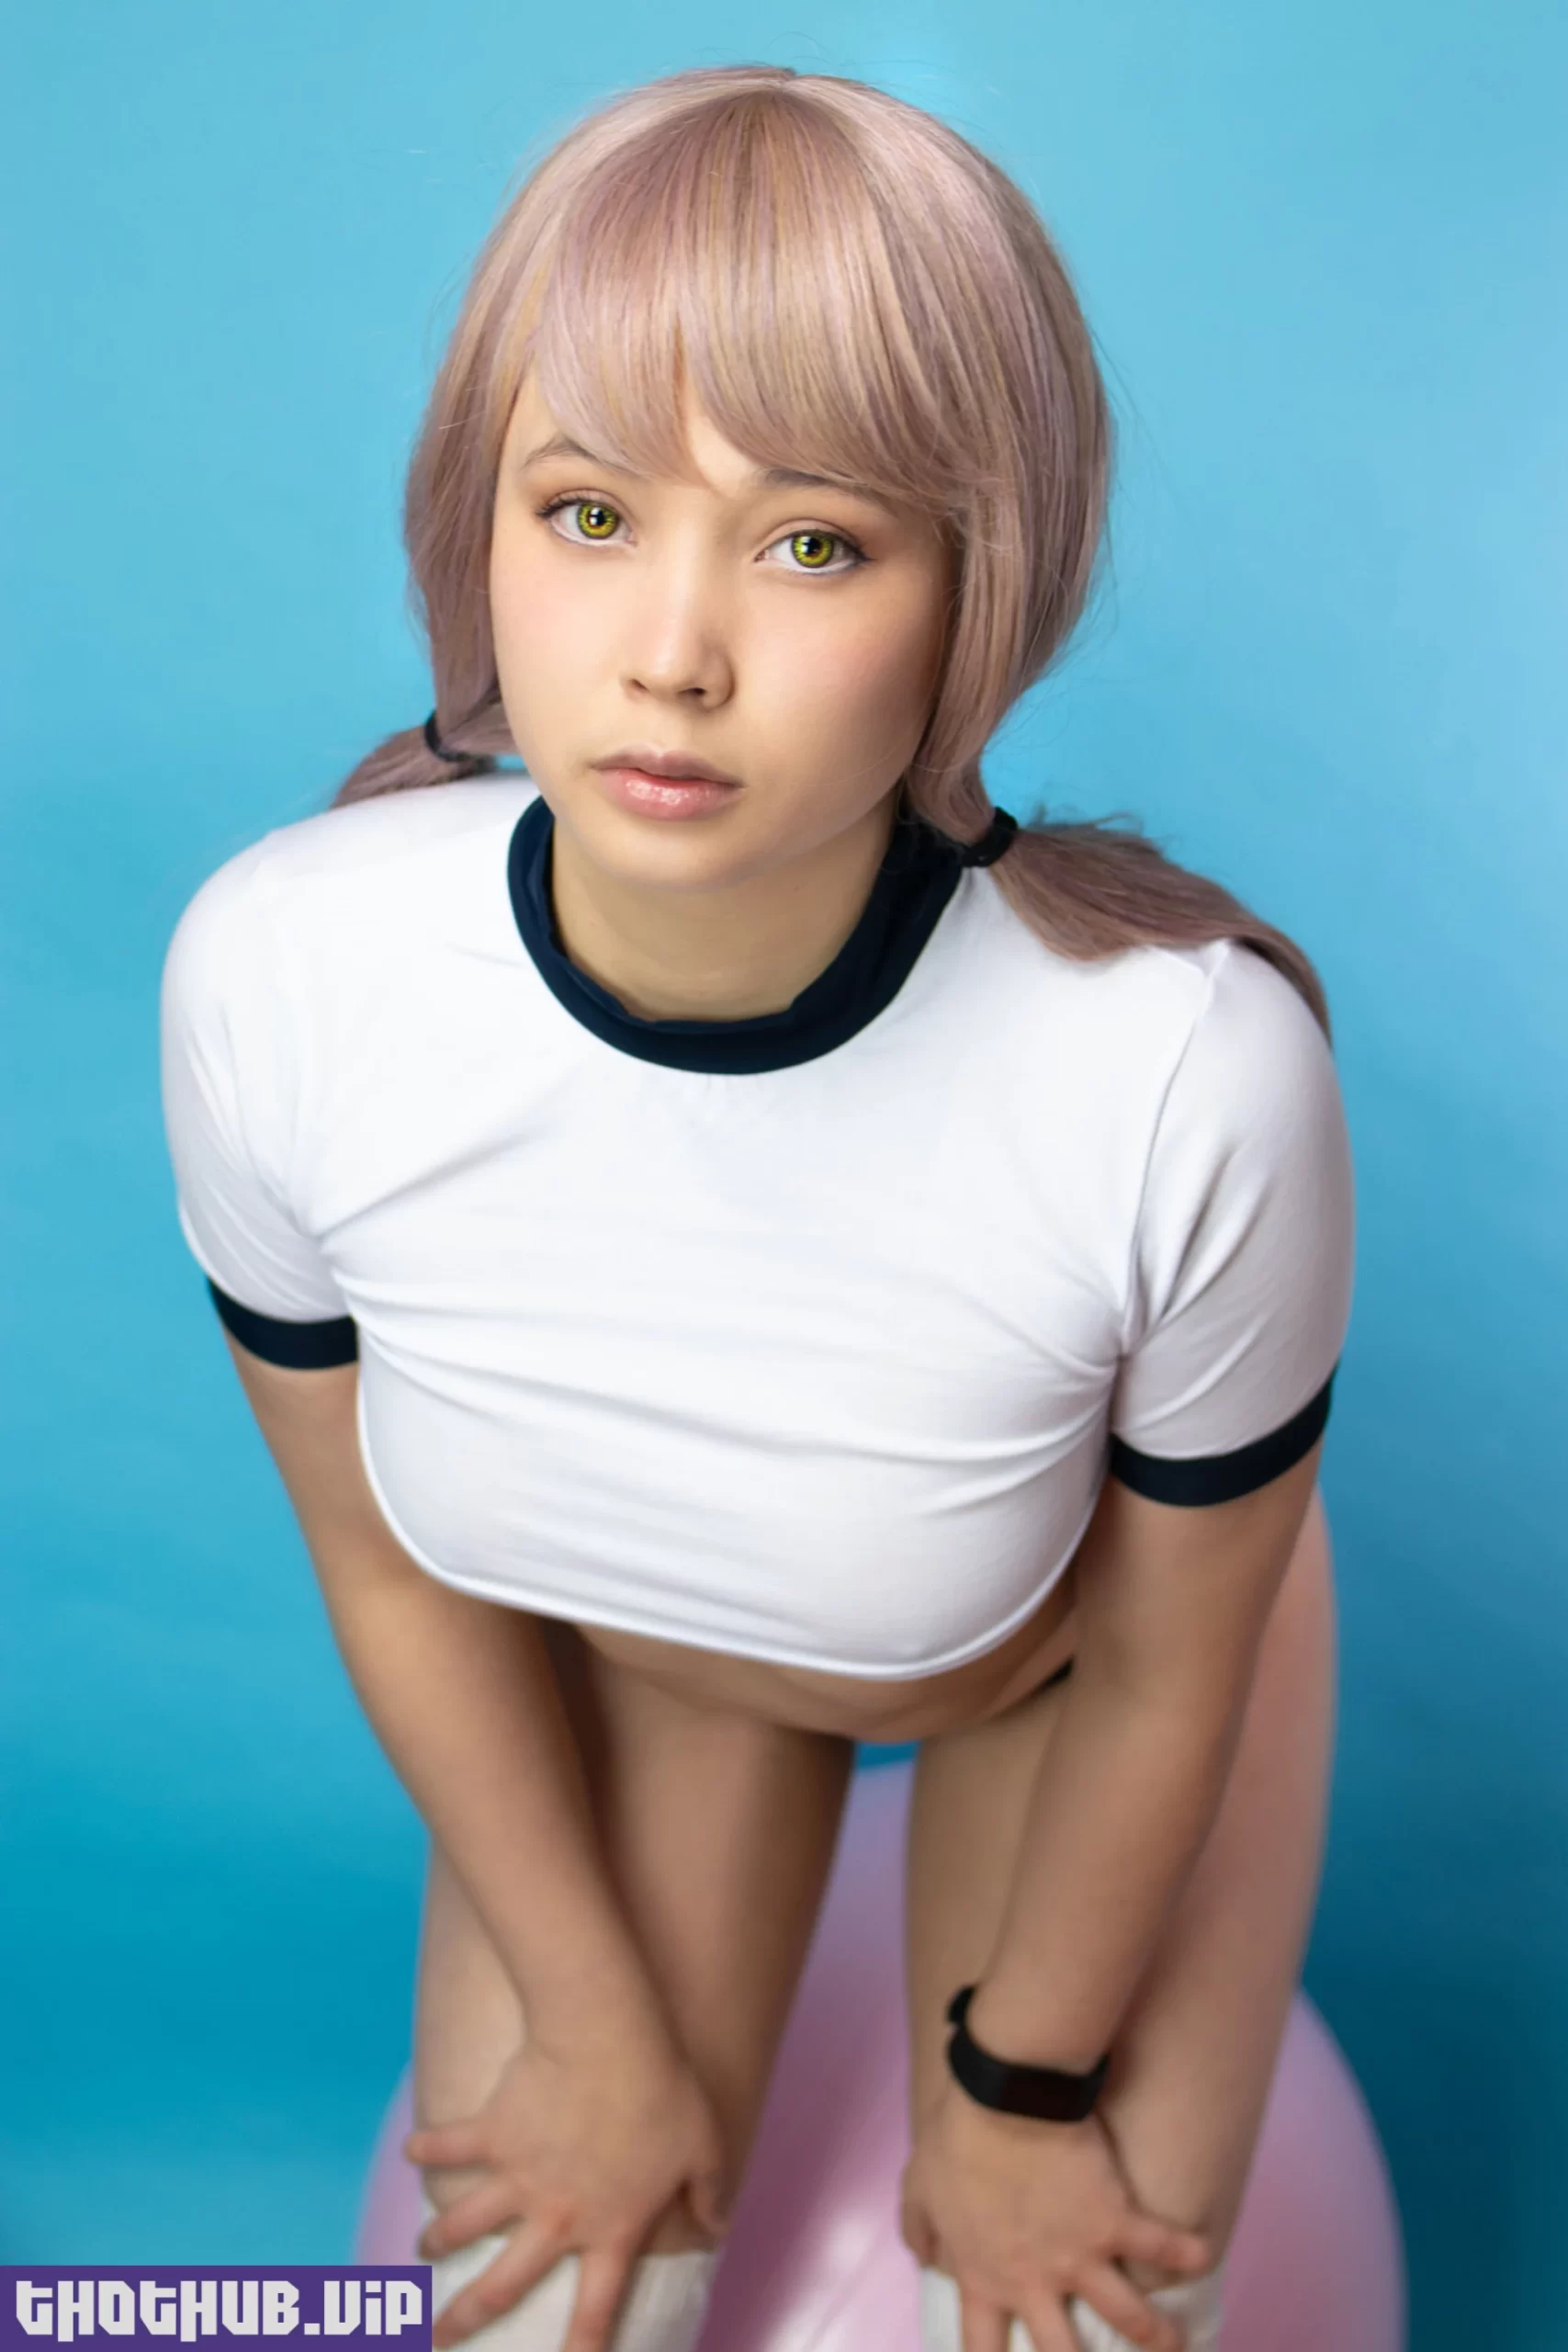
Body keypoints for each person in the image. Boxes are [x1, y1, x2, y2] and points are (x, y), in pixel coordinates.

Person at [159, 63, 1354, 2352]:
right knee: (539, 2312)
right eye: (589, 512)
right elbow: (384, 1561)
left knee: (1062, 2323)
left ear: (973, 587)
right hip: (643, 1650)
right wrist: (594, 2021)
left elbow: (1170, 1665)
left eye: (813, 543)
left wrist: (1018, 2091)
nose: (670, 653)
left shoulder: (1181, 1072)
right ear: (477, 523)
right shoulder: (285, 973)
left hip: (1070, 1653)